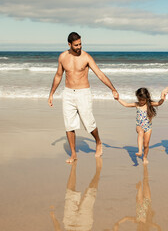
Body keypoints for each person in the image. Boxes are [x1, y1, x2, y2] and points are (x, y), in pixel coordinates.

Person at [48, 32, 119, 163]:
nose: (79, 47)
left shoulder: (86, 57)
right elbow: (58, 75)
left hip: (83, 93)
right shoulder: (63, 57)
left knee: (89, 123)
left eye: (80, 44)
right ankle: (73, 154)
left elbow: (100, 74)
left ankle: (98, 142)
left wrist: (113, 89)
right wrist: (51, 93)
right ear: (69, 44)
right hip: (68, 93)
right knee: (69, 125)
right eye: (76, 45)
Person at [49, 157, 103, 231]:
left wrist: (53, 217)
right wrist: (53, 216)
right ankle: (98, 171)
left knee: (70, 194)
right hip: (84, 226)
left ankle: (73, 167)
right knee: (90, 194)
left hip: (70, 225)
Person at [116, 88, 164, 164]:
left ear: (147, 98)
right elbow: (126, 104)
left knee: (146, 145)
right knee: (140, 133)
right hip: (139, 126)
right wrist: (118, 99)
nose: (141, 102)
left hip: (148, 127)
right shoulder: (137, 104)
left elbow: (159, 103)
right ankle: (139, 151)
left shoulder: (150, 104)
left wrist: (163, 97)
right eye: (139, 99)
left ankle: (145, 157)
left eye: (143, 100)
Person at [112, 164, 161, 230]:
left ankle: (139, 186)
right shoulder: (148, 223)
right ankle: (145, 167)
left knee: (141, 186)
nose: (140, 227)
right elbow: (158, 227)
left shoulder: (136, 220)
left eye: (138, 228)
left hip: (139, 202)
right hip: (147, 201)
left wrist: (118, 223)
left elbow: (126, 218)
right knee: (145, 181)